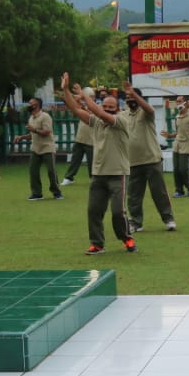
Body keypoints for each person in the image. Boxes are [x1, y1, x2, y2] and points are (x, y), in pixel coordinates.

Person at [61, 72, 137, 255]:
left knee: (118, 212)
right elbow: (75, 110)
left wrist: (85, 97)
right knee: (94, 211)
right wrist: (65, 90)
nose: (108, 109)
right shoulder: (95, 122)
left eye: (111, 107)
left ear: (117, 108)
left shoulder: (122, 120)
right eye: (106, 106)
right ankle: (97, 244)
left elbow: (102, 114)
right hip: (98, 173)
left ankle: (126, 238)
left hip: (118, 173)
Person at [122, 84, 176, 232]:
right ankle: (136, 222)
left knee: (159, 192)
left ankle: (168, 219)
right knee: (134, 195)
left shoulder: (145, 113)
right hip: (132, 161)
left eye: (132, 97)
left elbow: (150, 109)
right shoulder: (123, 115)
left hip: (152, 159)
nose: (130, 100)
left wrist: (134, 94)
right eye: (127, 98)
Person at [14, 97, 63, 201]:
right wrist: (22, 137)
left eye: (31, 104)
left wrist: (34, 130)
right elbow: (32, 135)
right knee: (33, 171)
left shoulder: (45, 116)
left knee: (51, 171)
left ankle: (57, 192)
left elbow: (47, 132)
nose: (29, 105)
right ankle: (37, 193)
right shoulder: (31, 118)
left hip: (47, 148)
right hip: (35, 149)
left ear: (37, 105)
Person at [162, 97, 189, 198]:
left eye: (180, 101)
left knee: (183, 169)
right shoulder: (177, 116)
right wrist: (169, 135)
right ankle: (179, 190)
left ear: (185, 102)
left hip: (188, 144)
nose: (178, 103)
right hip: (177, 144)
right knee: (176, 169)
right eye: (177, 101)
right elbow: (178, 132)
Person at [61, 87, 95, 186]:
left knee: (92, 161)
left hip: (91, 139)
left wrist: (81, 102)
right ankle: (69, 177)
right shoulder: (82, 105)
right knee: (75, 159)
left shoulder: (96, 107)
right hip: (80, 137)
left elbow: (91, 114)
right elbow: (73, 108)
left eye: (90, 96)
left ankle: (93, 179)